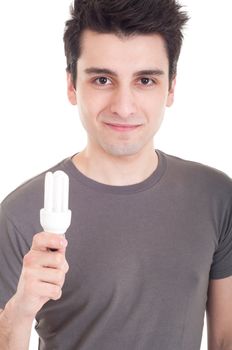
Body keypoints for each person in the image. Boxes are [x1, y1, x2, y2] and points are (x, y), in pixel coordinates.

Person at [0, 0, 231, 349]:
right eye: (103, 79)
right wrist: (20, 310)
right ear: (72, 85)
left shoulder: (216, 197)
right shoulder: (20, 214)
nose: (124, 107)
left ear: (170, 88)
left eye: (146, 80)